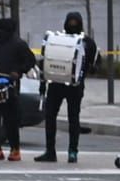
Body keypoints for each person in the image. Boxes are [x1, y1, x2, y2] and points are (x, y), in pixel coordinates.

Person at [35, 11, 98, 164]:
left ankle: (51, 151)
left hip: (57, 83)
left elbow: (44, 62)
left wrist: (43, 85)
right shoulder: (87, 42)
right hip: (74, 85)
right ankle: (72, 152)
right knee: (72, 119)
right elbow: (95, 66)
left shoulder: (58, 39)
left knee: (52, 117)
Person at [0, 17, 36, 162]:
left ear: (7, 31)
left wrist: (18, 71)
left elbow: (30, 61)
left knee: (11, 120)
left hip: (10, 87)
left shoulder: (19, 45)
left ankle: (15, 150)